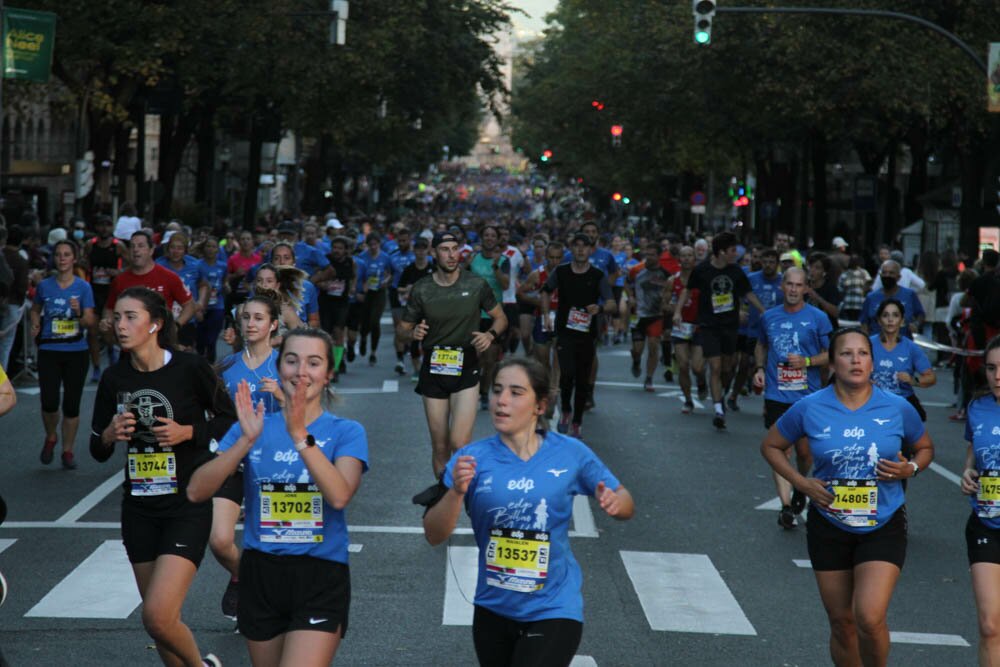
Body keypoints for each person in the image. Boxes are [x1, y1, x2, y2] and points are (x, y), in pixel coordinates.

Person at [423, 357, 634, 667]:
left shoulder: (570, 453)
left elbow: (624, 499)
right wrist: (455, 492)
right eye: (497, 391)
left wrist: (617, 505)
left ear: (540, 406)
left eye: (516, 392)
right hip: (493, 608)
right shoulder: (471, 458)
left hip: (554, 608)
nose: (502, 401)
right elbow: (433, 534)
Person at [187, 328, 368, 667]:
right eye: (291, 360)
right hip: (261, 575)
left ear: (328, 375)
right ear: (278, 369)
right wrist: (243, 442)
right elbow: (197, 490)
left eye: (313, 363)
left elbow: (340, 495)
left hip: (320, 575)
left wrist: (300, 435)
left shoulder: (346, 432)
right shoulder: (253, 427)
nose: (301, 371)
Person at [760, 326, 933, 667]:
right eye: (846, 353)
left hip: (882, 520)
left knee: (868, 616)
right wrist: (802, 483)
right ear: (832, 363)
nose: (856, 360)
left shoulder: (897, 407)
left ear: (871, 362)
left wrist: (909, 469)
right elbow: (771, 446)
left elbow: (925, 447)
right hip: (829, 523)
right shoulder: (809, 407)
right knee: (842, 623)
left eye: (863, 353)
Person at [89, 286, 235, 667]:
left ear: (155, 324)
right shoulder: (113, 378)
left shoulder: (190, 368)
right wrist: (108, 435)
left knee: (155, 614)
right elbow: (96, 447)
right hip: (139, 508)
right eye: (117, 317)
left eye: (130, 317)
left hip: (186, 504)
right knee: (161, 624)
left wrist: (189, 432)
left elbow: (229, 421)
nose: (120, 325)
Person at [399, 230, 507, 476]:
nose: (451, 255)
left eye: (455, 249)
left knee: (459, 443)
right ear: (434, 253)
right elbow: (402, 330)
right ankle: (444, 497)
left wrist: (490, 335)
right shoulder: (422, 288)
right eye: (445, 249)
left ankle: (458, 494)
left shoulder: (475, 283)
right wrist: (412, 332)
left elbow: (500, 319)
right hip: (434, 367)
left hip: (466, 366)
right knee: (440, 446)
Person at [211, 295, 285, 621]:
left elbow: (311, 417)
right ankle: (243, 576)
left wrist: (282, 395)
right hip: (234, 460)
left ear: (273, 325)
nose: (251, 323)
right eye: (246, 318)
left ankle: (264, 601)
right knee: (220, 539)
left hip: (274, 465)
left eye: (258, 318)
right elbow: (211, 415)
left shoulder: (287, 364)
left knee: (269, 544)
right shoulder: (226, 366)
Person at [752, 268, 832, 529]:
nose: (794, 289)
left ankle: (800, 487)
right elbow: (761, 344)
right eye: (790, 284)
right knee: (780, 449)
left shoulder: (818, 318)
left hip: (808, 395)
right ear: (782, 286)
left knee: (805, 452)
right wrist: (760, 369)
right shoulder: (769, 317)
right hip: (777, 394)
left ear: (806, 288)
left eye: (799, 285)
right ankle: (786, 507)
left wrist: (807, 361)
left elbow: (831, 354)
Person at [674, 232, 764, 430]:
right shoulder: (702, 270)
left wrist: (764, 312)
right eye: (732, 251)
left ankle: (720, 396)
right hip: (709, 325)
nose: (736, 254)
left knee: (726, 368)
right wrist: (678, 311)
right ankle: (718, 410)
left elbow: (748, 294)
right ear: (721, 252)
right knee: (714, 367)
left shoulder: (736, 272)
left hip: (730, 326)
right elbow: (687, 290)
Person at [541, 233, 615, 439]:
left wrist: (599, 308)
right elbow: (545, 290)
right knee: (566, 374)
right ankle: (566, 409)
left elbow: (611, 303)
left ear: (591, 250)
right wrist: (547, 315)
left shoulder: (597, 275)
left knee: (583, 379)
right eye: (577, 246)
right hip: (564, 331)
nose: (581, 249)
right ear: (571, 249)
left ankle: (577, 422)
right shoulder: (561, 271)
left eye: (585, 246)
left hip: (587, 334)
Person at [31, 239, 97, 469]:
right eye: (58, 254)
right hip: (49, 349)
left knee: (71, 404)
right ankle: (51, 436)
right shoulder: (44, 286)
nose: (62, 258)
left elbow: (90, 321)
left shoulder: (83, 287)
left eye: (67, 254)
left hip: (76, 351)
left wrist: (79, 312)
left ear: (74, 258)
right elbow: (36, 309)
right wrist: (35, 324)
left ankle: (67, 451)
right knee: (49, 401)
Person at [959, 335, 1000, 665]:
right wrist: (968, 472)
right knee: (989, 626)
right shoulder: (978, 406)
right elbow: (974, 451)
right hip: (986, 522)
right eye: (991, 368)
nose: (997, 376)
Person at [101, 230, 196, 345]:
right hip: (130, 347)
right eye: (132, 246)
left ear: (151, 250)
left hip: (160, 346)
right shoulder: (120, 280)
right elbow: (110, 308)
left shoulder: (169, 277)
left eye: (141, 246)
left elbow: (189, 305)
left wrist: (175, 326)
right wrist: (107, 321)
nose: (136, 250)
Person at [729, 248, 782, 413]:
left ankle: (769, 403)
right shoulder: (751, 279)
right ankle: (733, 395)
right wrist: (738, 311)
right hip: (751, 330)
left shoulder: (783, 282)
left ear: (777, 264)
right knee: (743, 364)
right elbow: (735, 296)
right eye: (765, 261)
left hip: (775, 332)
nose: (767, 265)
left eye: (771, 262)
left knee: (772, 368)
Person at [869, 299, 935, 421]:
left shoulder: (911, 348)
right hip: (872, 402)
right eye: (885, 315)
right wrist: (866, 382)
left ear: (902, 321)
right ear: (879, 321)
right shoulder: (867, 344)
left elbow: (931, 378)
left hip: (902, 402)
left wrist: (913, 380)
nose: (890, 320)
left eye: (895, 315)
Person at [467, 225, 510, 411]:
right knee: (475, 357)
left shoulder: (503, 260)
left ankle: (484, 392)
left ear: (498, 239)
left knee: (490, 358)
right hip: (474, 313)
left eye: (493, 235)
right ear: (482, 238)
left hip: (494, 315)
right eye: (487, 235)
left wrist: (495, 266)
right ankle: (471, 391)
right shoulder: (473, 258)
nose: (490, 238)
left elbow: (506, 285)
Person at [84, 215, 125, 381]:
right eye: (101, 225)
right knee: (92, 331)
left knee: (110, 329)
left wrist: (118, 273)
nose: (104, 229)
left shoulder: (118, 246)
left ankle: (111, 351)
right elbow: (83, 261)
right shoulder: (90, 245)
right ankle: (96, 367)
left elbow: (130, 265)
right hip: (93, 291)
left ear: (112, 228)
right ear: (96, 228)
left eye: (107, 225)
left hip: (112, 292)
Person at [665, 245, 705, 413]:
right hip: (680, 328)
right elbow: (664, 305)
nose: (687, 258)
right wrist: (675, 310)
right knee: (682, 365)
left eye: (690, 255)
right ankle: (688, 400)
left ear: (694, 259)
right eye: (684, 256)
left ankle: (701, 381)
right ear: (679, 259)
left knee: (697, 367)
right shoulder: (672, 281)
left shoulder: (702, 280)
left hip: (698, 327)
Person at [626, 242, 669, 392]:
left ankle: (649, 378)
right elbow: (626, 282)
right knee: (637, 349)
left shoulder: (665, 273)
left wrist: (666, 301)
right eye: (647, 254)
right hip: (638, 315)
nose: (649, 257)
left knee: (653, 346)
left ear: (659, 256)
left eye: (652, 255)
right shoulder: (637, 270)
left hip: (656, 315)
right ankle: (636, 361)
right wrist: (630, 296)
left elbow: (670, 290)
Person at [395, 237, 435, 380]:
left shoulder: (433, 268)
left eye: (423, 249)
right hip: (412, 309)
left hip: (430, 309)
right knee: (414, 340)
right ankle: (417, 370)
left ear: (427, 251)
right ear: (414, 251)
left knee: (429, 339)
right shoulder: (409, 269)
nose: (421, 252)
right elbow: (398, 288)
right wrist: (407, 289)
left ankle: (429, 368)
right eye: (418, 249)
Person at [157, 232, 205, 350]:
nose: (176, 251)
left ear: (185, 250)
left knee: (186, 353)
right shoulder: (159, 265)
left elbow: (204, 285)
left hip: (187, 318)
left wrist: (200, 304)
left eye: (180, 248)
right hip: (165, 319)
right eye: (173, 247)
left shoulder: (194, 264)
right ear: (168, 249)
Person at [317, 235, 355, 380]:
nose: (337, 251)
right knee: (326, 335)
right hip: (326, 302)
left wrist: (351, 288)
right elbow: (316, 278)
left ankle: (336, 368)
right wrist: (322, 285)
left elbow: (353, 277)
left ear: (345, 250)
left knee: (338, 332)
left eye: (340, 248)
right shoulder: (325, 261)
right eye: (334, 248)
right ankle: (329, 364)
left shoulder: (350, 262)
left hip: (342, 302)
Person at [354, 234, 393, 365]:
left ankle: (373, 352)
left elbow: (390, 273)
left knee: (375, 321)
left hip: (379, 292)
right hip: (366, 292)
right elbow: (358, 276)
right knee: (364, 321)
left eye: (375, 244)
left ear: (379, 244)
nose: (373, 247)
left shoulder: (386, 257)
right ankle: (364, 337)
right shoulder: (362, 257)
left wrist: (385, 281)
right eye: (370, 245)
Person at [860, 260, 924, 338]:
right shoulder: (871, 297)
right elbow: (864, 322)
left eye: (891, 273)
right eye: (884, 273)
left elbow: (920, 314)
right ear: (880, 276)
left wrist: (916, 324)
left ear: (898, 277)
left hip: (903, 343)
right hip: (877, 344)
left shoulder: (909, 294)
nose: (887, 276)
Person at [195, 237, 228, 362]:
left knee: (212, 339)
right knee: (200, 339)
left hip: (217, 306)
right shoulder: (197, 265)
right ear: (203, 249)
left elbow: (225, 280)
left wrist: (226, 286)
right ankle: (199, 363)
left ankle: (211, 365)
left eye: (214, 246)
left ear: (218, 250)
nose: (210, 249)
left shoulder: (223, 266)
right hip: (201, 306)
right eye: (208, 246)